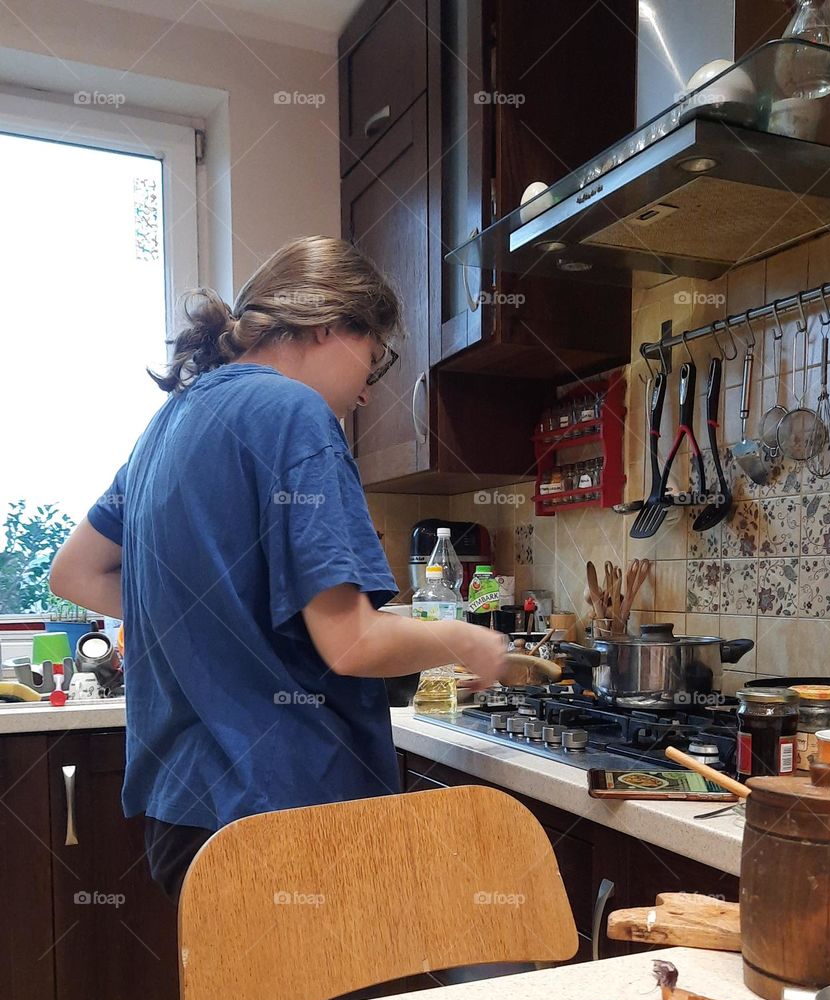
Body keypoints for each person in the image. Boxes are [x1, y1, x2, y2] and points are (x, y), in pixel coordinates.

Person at [50, 236, 509, 900]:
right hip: (282, 813)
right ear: (327, 323)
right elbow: (351, 642)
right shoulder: (294, 415)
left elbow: (76, 574)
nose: (366, 396)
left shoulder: (169, 423)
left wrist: (213, 618)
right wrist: (467, 638)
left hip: (186, 816)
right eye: (373, 363)